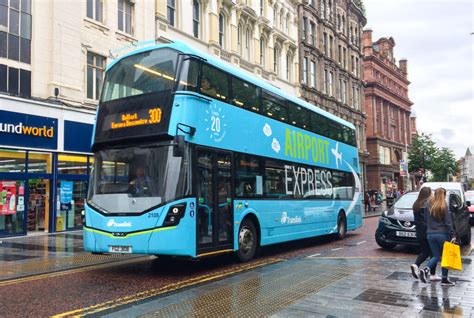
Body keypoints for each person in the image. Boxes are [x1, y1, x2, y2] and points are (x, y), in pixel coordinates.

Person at [419, 188, 456, 286]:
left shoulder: (429, 206)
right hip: (442, 235)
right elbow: (448, 223)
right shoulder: (444, 206)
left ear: (435, 195)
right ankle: (444, 279)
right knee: (445, 257)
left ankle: (426, 269)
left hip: (430, 234)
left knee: (436, 256)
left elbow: (425, 220)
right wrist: (453, 235)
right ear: (443, 195)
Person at [410, 187, 439, 280]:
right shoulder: (428, 204)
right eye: (431, 193)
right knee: (433, 253)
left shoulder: (416, 204)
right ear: (428, 194)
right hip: (428, 232)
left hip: (419, 232)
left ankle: (416, 265)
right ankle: (433, 274)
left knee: (425, 251)